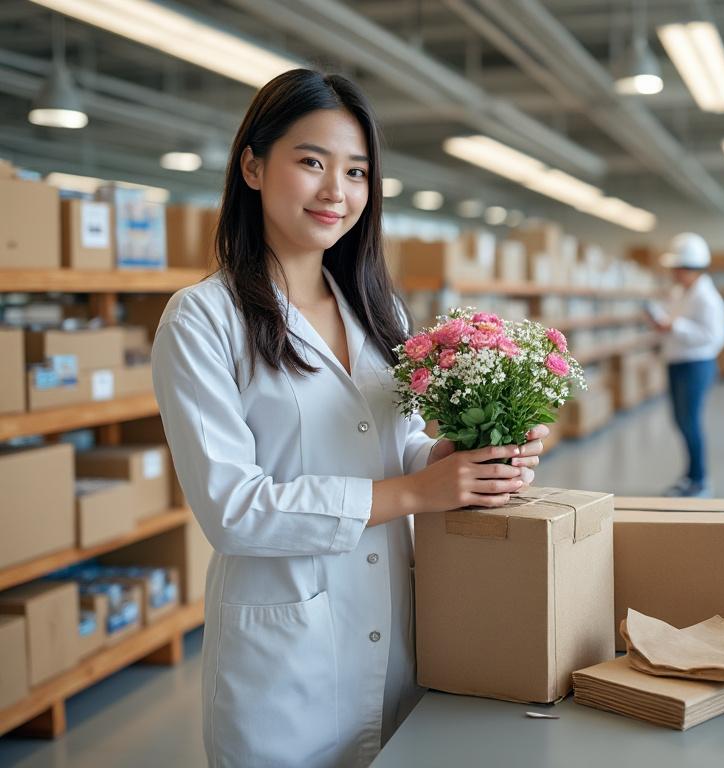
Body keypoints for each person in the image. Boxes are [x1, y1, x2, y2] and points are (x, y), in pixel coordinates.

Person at [150, 69, 549, 768]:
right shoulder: (202, 319)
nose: (337, 191)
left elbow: (395, 446)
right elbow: (233, 510)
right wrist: (413, 494)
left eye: (357, 171)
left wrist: (459, 458)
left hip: (390, 636)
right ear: (252, 165)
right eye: (312, 162)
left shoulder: (379, 311)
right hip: (281, 667)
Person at [646, 232, 724, 497]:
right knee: (681, 420)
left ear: (689, 268)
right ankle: (691, 475)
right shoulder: (681, 292)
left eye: (677, 268)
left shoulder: (707, 298)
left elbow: (714, 337)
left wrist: (675, 326)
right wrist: (664, 324)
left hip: (697, 365)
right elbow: (674, 322)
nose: (673, 273)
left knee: (690, 421)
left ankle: (700, 480)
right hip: (678, 362)